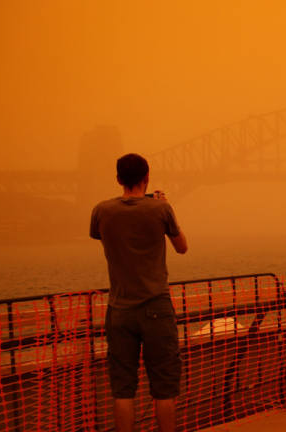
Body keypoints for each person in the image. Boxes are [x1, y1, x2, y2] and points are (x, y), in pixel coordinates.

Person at [90, 153, 188, 432]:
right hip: (156, 306)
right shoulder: (160, 210)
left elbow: (100, 235)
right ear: (147, 178)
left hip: (119, 310)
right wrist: (163, 206)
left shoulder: (101, 211)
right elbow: (182, 247)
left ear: (119, 179)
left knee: (123, 389)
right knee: (164, 388)